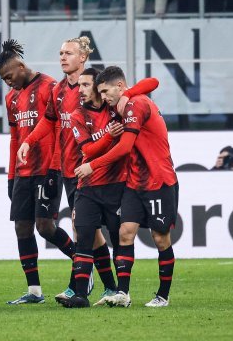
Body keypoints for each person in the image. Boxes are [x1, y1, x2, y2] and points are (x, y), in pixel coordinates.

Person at [75, 65, 178, 308]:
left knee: (160, 238)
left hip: (158, 180)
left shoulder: (137, 104)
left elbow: (124, 147)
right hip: (134, 182)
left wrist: (92, 166)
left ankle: (163, 295)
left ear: (120, 86)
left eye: (105, 91)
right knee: (125, 232)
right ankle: (122, 293)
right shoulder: (121, 104)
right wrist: (125, 95)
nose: (103, 97)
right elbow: (147, 83)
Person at [58, 68, 159, 308]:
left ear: (98, 87)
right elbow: (87, 150)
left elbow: (153, 82)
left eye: (85, 85)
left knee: (118, 239)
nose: (80, 90)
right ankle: (80, 295)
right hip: (88, 186)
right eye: (78, 85)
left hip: (117, 185)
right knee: (83, 237)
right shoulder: (77, 115)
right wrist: (108, 136)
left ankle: (121, 292)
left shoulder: (115, 106)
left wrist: (127, 94)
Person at [17, 36, 105, 301]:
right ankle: (108, 287)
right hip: (69, 171)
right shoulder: (58, 90)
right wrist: (29, 141)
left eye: (68, 53)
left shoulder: (95, 87)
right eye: (60, 53)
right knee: (90, 231)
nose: (63, 57)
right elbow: (48, 120)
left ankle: (82, 286)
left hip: (92, 168)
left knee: (90, 229)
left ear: (83, 57)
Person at [0, 39, 76, 304]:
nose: (8, 82)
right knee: (22, 228)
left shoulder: (49, 87)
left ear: (20, 66)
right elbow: (14, 139)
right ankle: (34, 291)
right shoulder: (11, 98)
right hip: (23, 173)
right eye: (3, 79)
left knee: (45, 227)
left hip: (47, 169)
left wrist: (54, 168)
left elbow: (58, 128)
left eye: (9, 76)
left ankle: (81, 263)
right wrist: (11, 176)